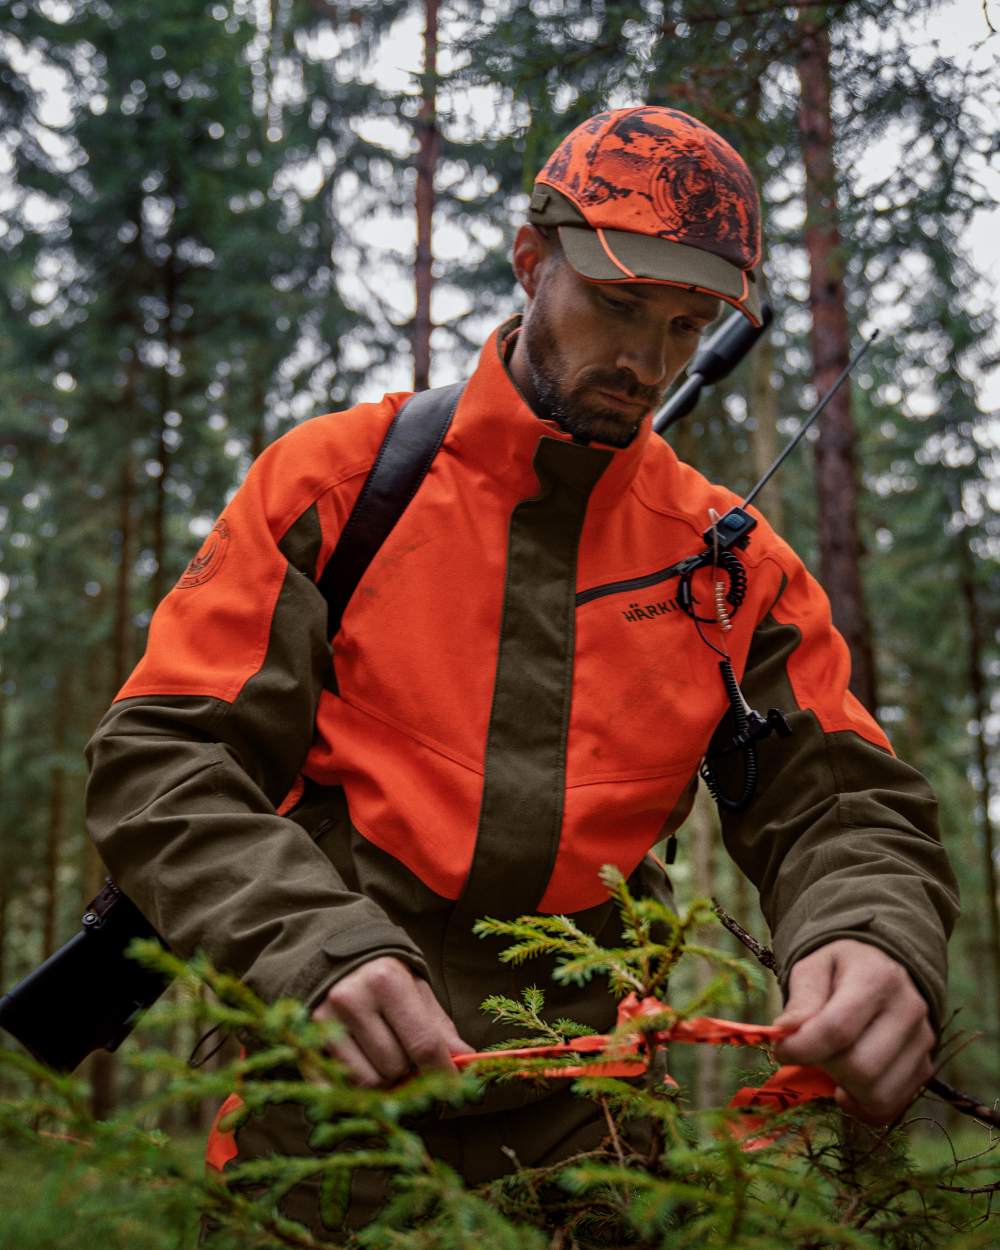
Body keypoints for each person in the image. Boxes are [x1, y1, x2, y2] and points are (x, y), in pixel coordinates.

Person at [84, 105, 958, 1237]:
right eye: (618, 304)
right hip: (322, 1085)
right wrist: (313, 945)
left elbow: (841, 802)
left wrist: (871, 929)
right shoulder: (338, 486)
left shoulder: (733, 566)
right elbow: (164, 753)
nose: (645, 359)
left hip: (589, 1126)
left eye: (687, 324)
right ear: (530, 260)